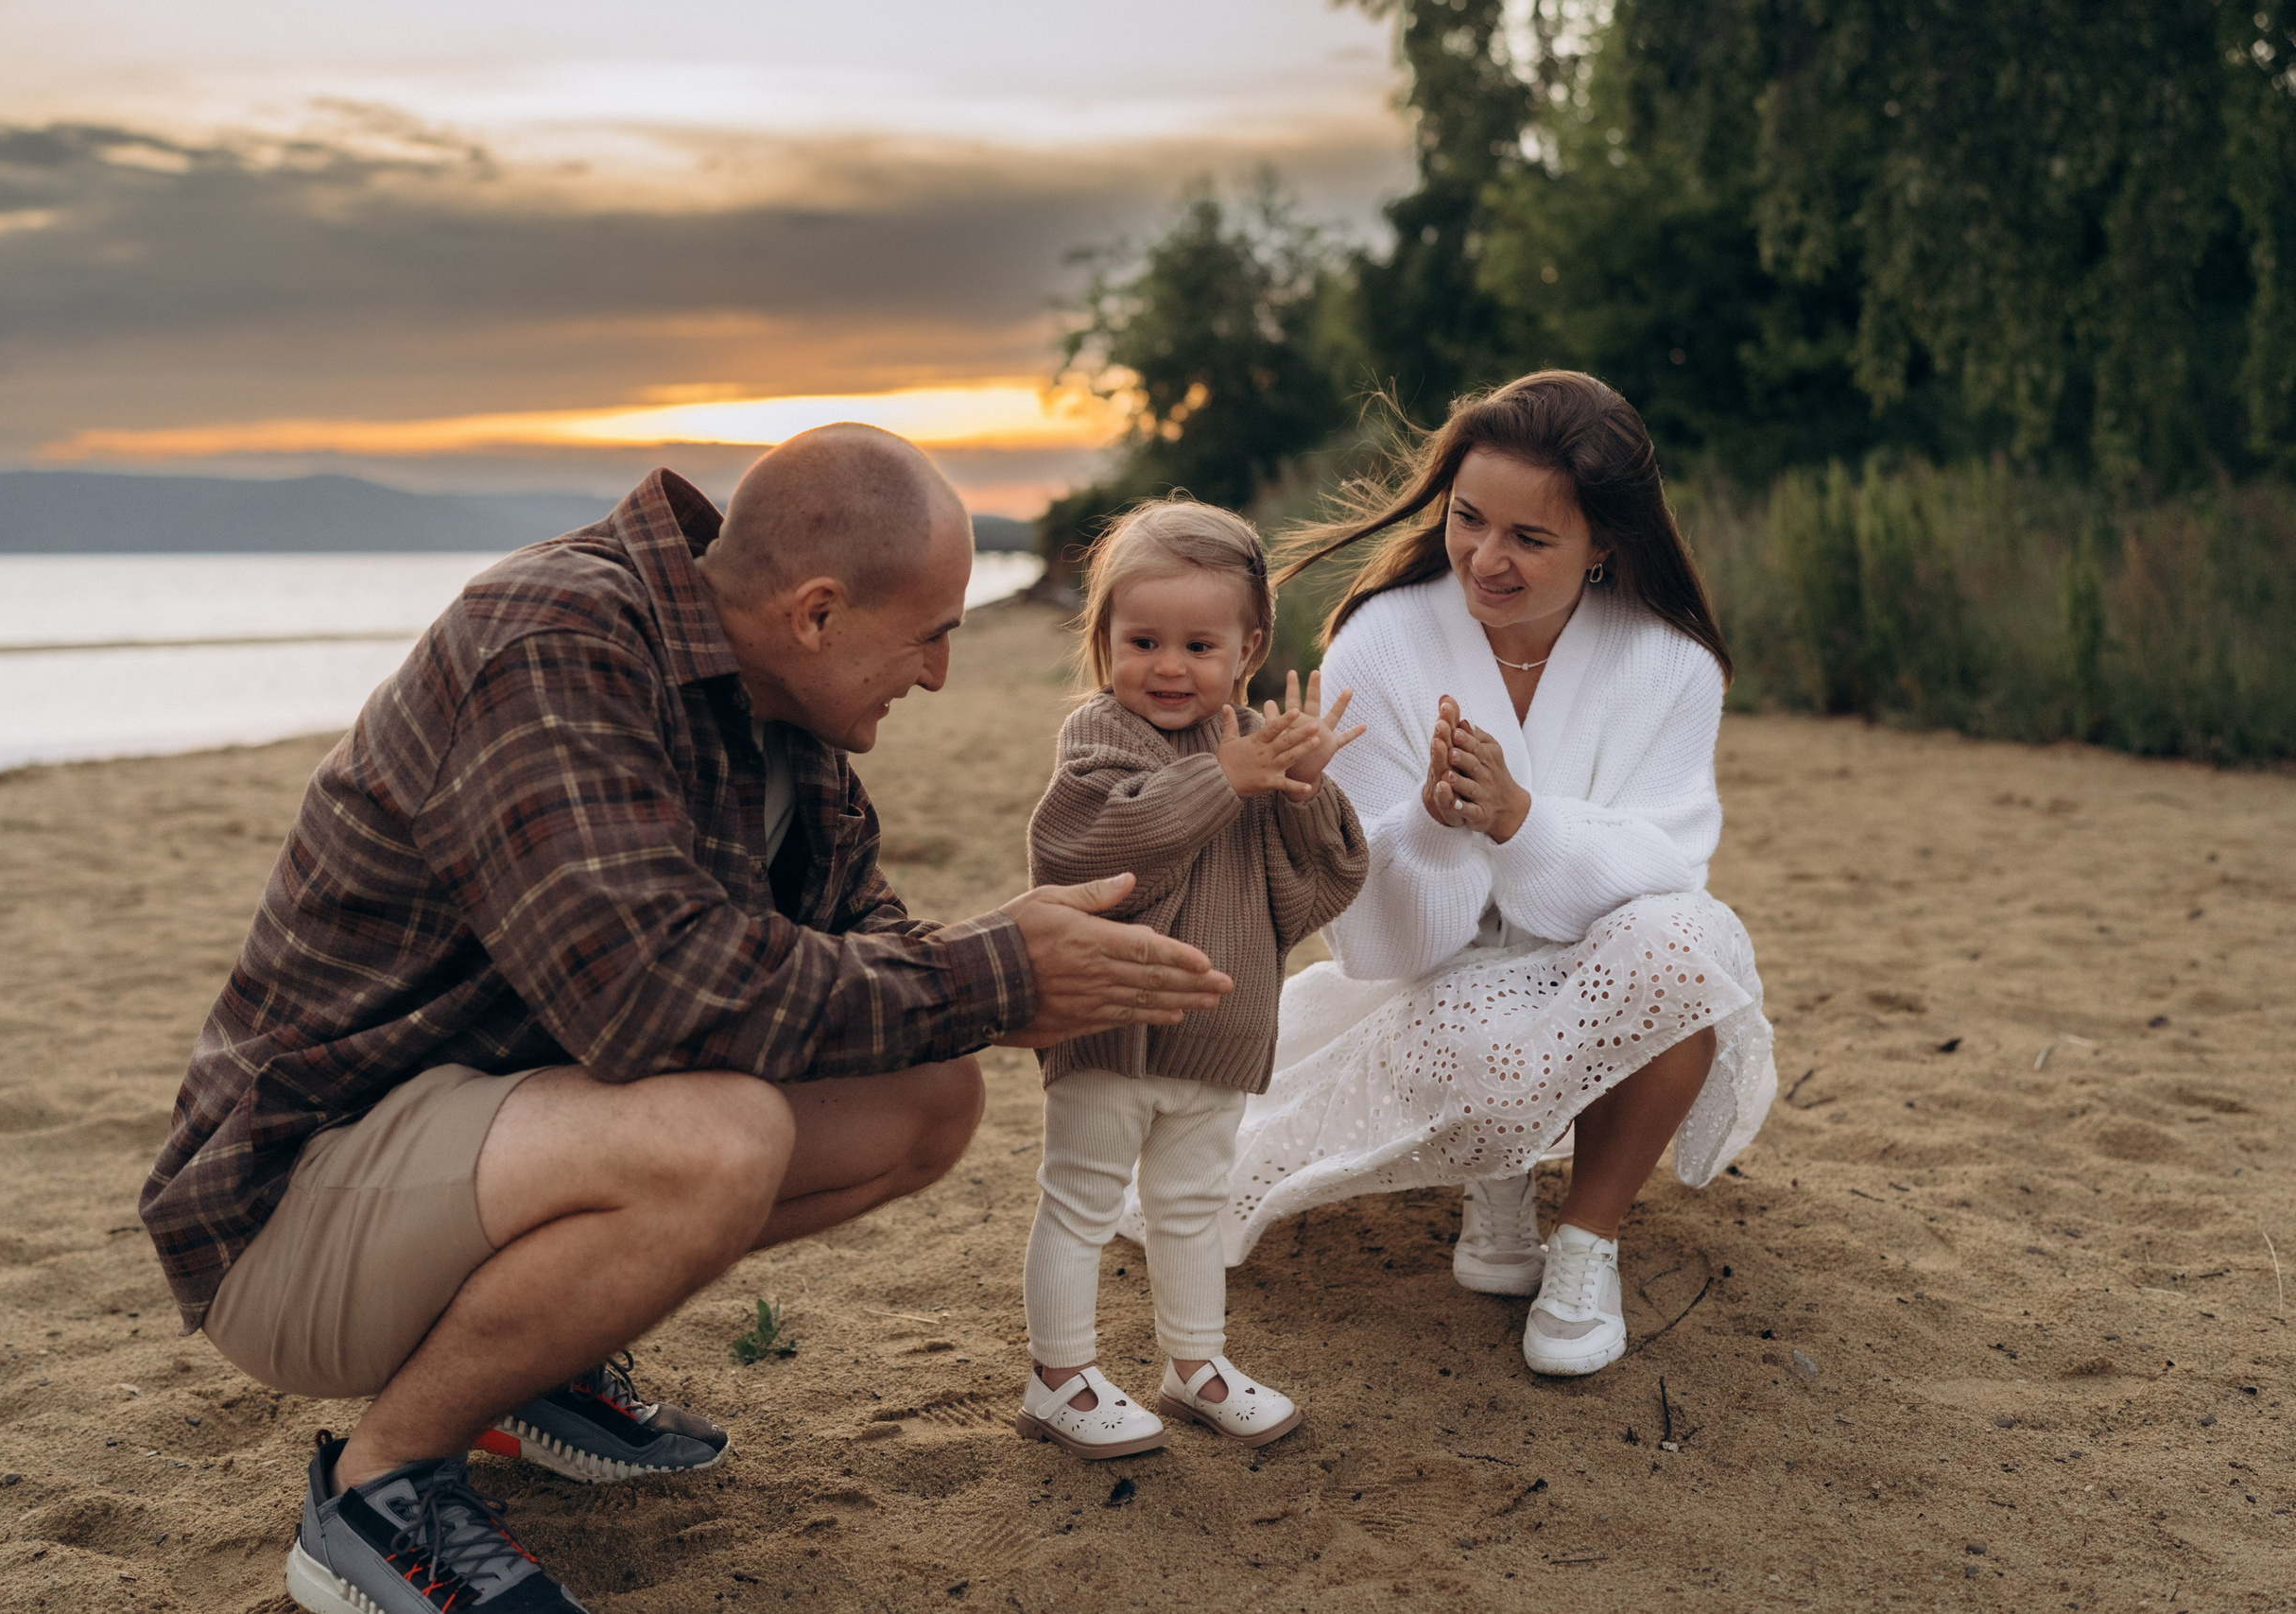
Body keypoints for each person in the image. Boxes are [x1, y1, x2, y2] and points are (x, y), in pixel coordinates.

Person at [138, 425, 1236, 1614]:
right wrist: (995, 977)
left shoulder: (779, 718)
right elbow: (649, 994)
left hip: (475, 1155)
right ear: (816, 614)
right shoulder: (553, 641)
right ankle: (378, 1490)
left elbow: (866, 946)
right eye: (932, 633)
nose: (936, 675)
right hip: (290, 1208)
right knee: (717, 1138)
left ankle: (527, 1365)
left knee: (927, 1101)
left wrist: (1007, 959)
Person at [1208, 372, 1777, 1379]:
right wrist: (1431, 832)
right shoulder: (1381, 641)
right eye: (1468, 519)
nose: (1485, 557)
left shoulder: (1670, 664)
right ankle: (1499, 1181)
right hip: (1435, 981)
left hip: (1594, 947)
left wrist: (1522, 823)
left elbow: (1666, 862)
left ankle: (1586, 1242)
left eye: (1529, 538)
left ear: (1604, 543)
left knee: (1696, 946)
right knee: (1483, 1038)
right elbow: (1376, 942)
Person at [1015, 500, 1368, 1459]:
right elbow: (1097, 843)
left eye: (1199, 644)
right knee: (1081, 1198)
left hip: (1219, 1032)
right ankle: (1057, 1378)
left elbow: (1319, 886)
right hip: (1111, 1030)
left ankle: (1192, 1364)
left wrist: (1305, 791)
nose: (1168, 667)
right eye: (1141, 641)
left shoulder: (1257, 747)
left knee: (1190, 1205)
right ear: (1102, 642)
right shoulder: (1100, 738)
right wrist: (1229, 777)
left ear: (1248, 648)